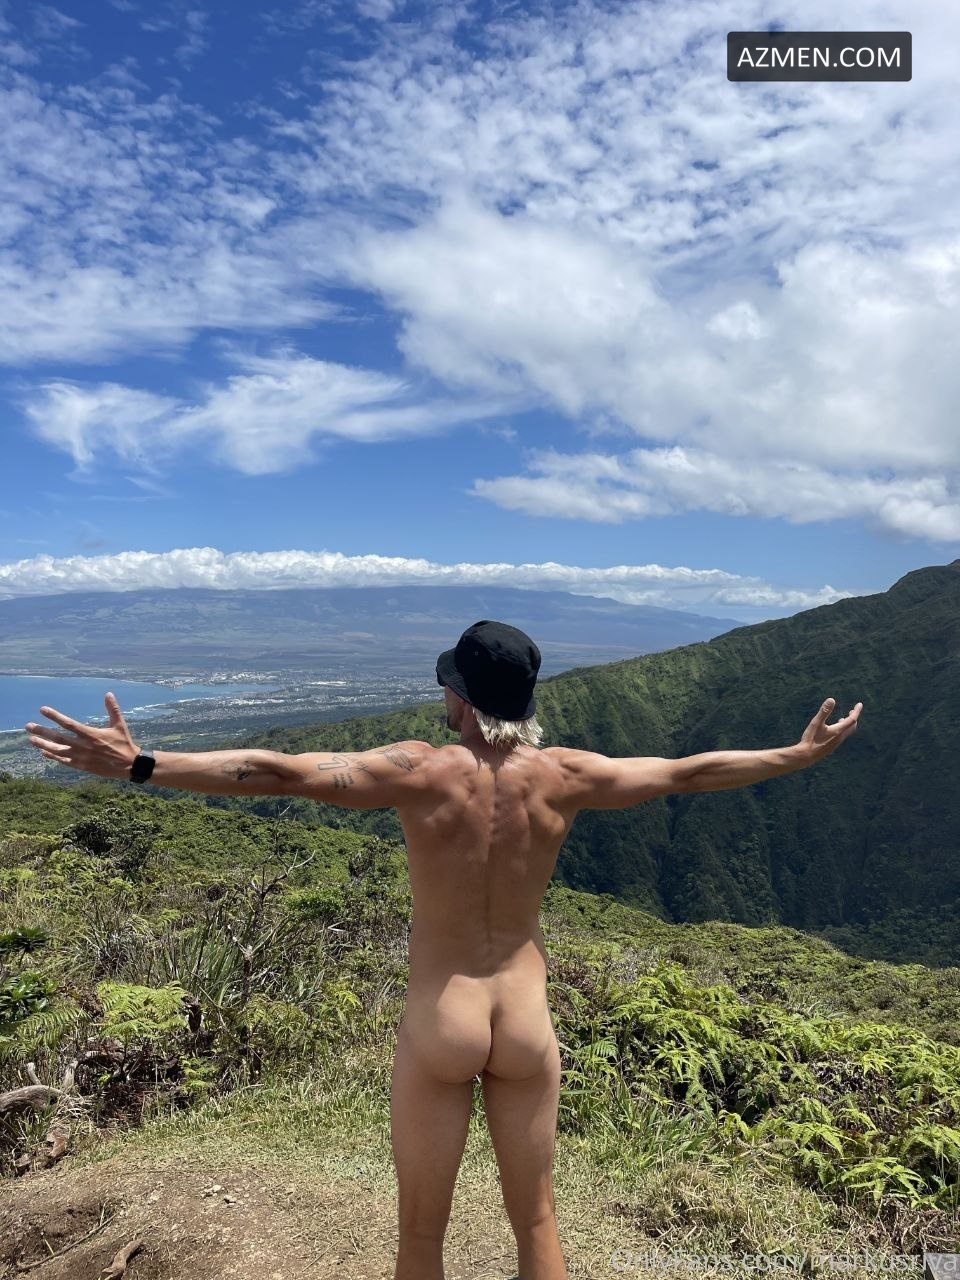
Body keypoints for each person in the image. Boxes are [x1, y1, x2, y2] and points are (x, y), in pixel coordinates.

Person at [25, 619, 862, 1280]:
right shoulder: (566, 774)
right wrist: (796, 755)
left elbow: (277, 771)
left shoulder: (422, 769)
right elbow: (687, 771)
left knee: (422, 1234)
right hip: (526, 1018)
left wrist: (142, 763)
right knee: (537, 1219)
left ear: (459, 696)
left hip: (443, 1015)